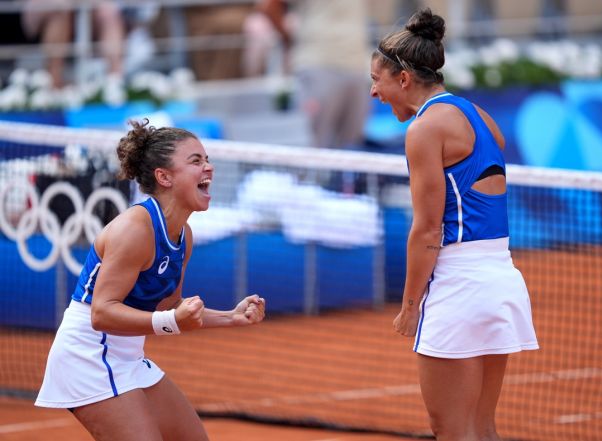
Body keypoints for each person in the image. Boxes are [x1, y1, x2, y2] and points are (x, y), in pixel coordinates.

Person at [34, 119, 266, 441]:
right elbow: (101, 313)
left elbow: (170, 306)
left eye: (207, 159)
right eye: (196, 161)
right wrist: (171, 320)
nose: (208, 168)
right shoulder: (135, 230)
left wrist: (231, 316)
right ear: (164, 176)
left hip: (128, 355)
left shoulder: (183, 235)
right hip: (88, 355)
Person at [369, 8, 538, 441]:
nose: (374, 92)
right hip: (500, 278)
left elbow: (427, 230)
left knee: (451, 430)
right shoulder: (480, 115)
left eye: (378, 80)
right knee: (481, 428)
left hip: (460, 287)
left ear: (403, 80)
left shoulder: (424, 129)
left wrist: (410, 306)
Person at [259, 0, 371, 149]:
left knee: (353, 150)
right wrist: (288, 38)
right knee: (315, 147)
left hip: (357, 66)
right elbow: (269, 5)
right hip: (318, 65)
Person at [21, 0, 125, 88]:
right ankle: (53, 85)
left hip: (79, 9)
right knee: (60, 7)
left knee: (109, 12)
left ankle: (115, 84)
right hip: (40, 8)